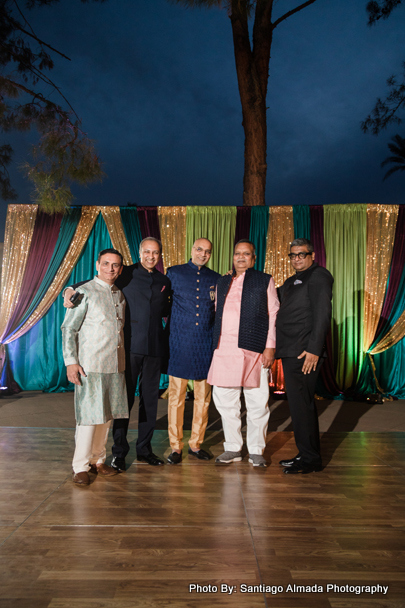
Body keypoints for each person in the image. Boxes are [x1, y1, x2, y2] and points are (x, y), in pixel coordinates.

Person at [64, 237, 171, 470]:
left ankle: (144, 449)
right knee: (123, 404)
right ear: (140, 252)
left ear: (160, 255)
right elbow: (97, 281)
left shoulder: (164, 280)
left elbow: (166, 310)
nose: (151, 256)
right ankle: (119, 452)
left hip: (153, 349)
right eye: (147, 252)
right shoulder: (126, 273)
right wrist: (70, 288)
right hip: (128, 349)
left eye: (155, 253)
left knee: (150, 403)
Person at [208, 240, 279, 467]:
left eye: (246, 254)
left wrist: (270, 347)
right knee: (226, 403)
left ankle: (257, 450)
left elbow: (273, 313)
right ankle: (233, 448)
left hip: (253, 349)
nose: (241, 257)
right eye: (237, 253)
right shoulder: (222, 281)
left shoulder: (264, 280)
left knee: (258, 402)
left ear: (253, 258)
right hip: (223, 350)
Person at [61, 248, 129, 486]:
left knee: (106, 417)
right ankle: (79, 466)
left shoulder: (119, 294)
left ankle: (98, 461)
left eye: (116, 265)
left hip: (115, 365)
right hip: (89, 365)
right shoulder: (83, 292)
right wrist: (71, 362)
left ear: (120, 269)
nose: (111, 268)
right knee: (88, 418)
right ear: (97, 264)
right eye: (106, 263)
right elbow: (69, 329)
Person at [276, 238, 333, 474]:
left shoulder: (318, 275)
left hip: (304, 353)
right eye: (293, 255)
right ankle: (305, 454)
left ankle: (310, 459)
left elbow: (322, 314)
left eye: (301, 254)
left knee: (303, 405)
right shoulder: (292, 281)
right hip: (291, 351)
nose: (297, 258)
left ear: (312, 255)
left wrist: (314, 350)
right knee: (299, 406)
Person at [165, 238, 220, 464]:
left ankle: (196, 444)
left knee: (203, 398)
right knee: (176, 397)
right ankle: (175, 446)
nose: (203, 254)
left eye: (207, 251)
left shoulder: (216, 278)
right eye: (199, 249)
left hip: (205, 344)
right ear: (191, 250)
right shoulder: (174, 273)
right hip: (179, 342)